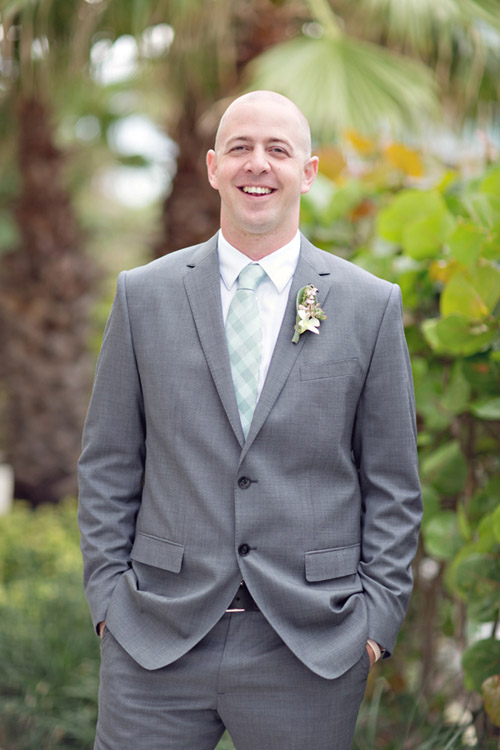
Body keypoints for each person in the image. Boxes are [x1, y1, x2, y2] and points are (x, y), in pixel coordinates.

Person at [78, 90, 422, 750]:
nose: (256, 164)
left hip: (310, 647)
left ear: (309, 171)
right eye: (239, 147)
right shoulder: (143, 296)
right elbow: (109, 463)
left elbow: (394, 485)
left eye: (277, 149)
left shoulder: (368, 306)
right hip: (155, 641)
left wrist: (374, 626)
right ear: (212, 167)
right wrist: (109, 607)